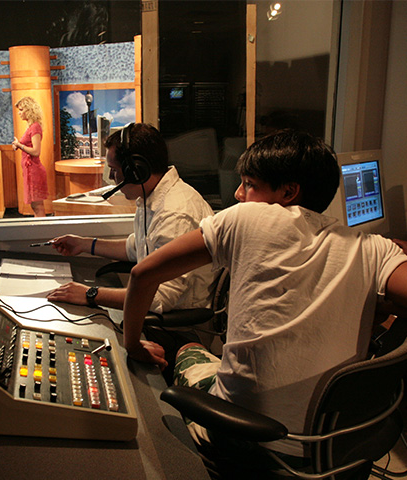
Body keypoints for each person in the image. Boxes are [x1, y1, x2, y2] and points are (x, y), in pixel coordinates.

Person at [122, 129, 407, 458]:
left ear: (289, 192)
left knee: (187, 348)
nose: (239, 195)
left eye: (249, 185)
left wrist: (133, 345)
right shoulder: (373, 248)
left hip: (241, 437)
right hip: (327, 445)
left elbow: (143, 275)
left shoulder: (247, 217)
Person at [47, 122, 216, 317]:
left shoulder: (175, 215)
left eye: (114, 169)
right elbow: (138, 247)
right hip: (151, 307)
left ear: (135, 171)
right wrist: (83, 244)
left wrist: (90, 294)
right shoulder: (153, 198)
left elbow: (162, 298)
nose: (112, 177)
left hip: (174, 323)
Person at [12, 96, 48, 217]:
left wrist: (19, 145)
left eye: (21, 110)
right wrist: (18, 145)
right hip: (30, 170)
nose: (19, 113)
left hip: (34, 171)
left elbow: (36, 151)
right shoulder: (31, 127)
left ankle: (42, 231)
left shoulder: (35, 127)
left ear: (29, 110)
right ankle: (38, 229)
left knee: (37, 205)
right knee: (34, 205)